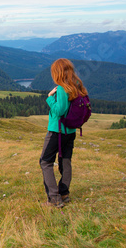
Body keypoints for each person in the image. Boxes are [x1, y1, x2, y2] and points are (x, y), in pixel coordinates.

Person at [40, 58, 88, 208]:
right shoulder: (77, 86)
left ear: (58, 73)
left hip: (56, 131)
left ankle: (54, 199)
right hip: (70, 131)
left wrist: (49, 99)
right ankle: (64, 194)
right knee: (65, 161)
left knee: (45, 162)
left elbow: (59, 110)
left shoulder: (62, 88)